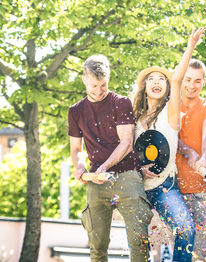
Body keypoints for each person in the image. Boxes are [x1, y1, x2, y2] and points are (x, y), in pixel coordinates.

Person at [68, 54, 153, 262]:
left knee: (138, 241)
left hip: (127, 176)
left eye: (103, 85)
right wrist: (79, 166)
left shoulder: (120, 103)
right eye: (94, 85)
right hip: (97, 181)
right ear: (84, 79)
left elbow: (126, 143)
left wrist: (105, 166)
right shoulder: (75, 111)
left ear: (109, 79)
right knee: (97, 246)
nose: (99, 91)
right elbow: (76, 148)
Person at [132, 27, 206, 262]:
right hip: (136, 188)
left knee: (186, 230)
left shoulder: (170, 114)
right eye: (151, 79)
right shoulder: (132, 119)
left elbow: (177, 79)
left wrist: (190, 46)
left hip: (165, 187)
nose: (157, 82)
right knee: (137, 242)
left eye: (161, 80)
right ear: (144, 87)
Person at [176, 58, 206, 261]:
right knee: (176, 244)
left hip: (200, 187)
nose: (192, 86)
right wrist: (189, 152)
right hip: (172, 186)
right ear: (181, 80)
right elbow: (169, 136)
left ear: (204, 82)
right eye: (188, 80)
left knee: (199, 251)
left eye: (197, 81)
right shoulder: (172, 104)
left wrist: (203, 156)